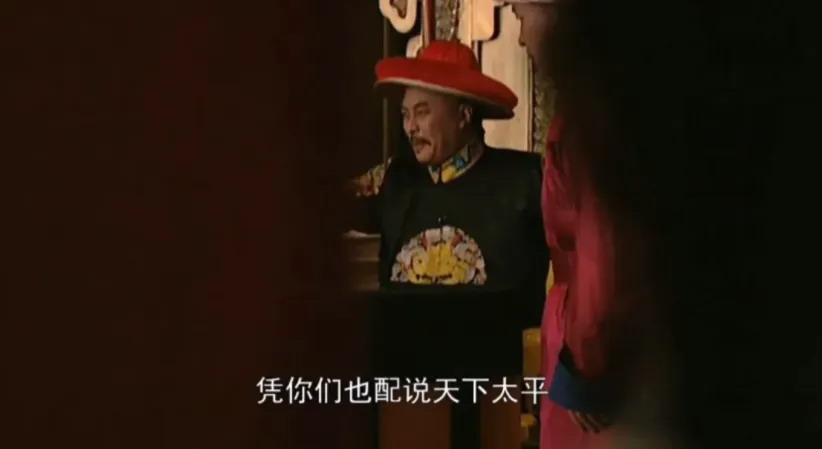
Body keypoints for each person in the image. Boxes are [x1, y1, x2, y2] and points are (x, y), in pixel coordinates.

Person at [348, 39, 550, 449]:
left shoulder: (527, 181)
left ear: (463, 114)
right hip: (405, 396)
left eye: (422, 112)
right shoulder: (396, 182)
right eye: (405, 115)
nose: (410, 128)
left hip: (495, 396)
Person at [505, 1, 662, 448]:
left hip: (594, 335)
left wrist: (585, 368)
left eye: (521, 17)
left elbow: (602, 245)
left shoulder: (587, 120)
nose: (521, 38)